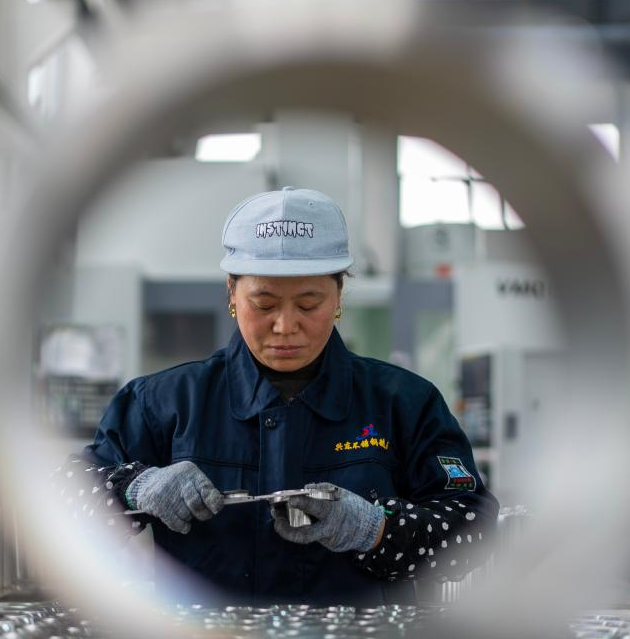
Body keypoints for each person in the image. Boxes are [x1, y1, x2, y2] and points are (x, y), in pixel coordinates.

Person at [72, 187, 498, 606]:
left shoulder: (404, 403)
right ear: (232, 293)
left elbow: (474, 527)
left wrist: (375, 529)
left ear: (339, 295)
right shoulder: (162, 403)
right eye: (264, 304)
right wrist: (133, 487)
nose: (285, 326)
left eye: (309, 305)